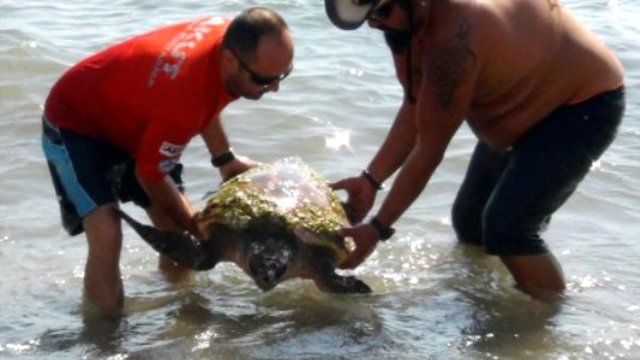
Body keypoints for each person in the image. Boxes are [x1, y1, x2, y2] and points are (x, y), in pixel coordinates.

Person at [325, 0, 625, 302]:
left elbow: (429, 151)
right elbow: (417, 106)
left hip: (582, 105)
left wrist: (377, 229)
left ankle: (547, 324)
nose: (376, 25)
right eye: (368, 18)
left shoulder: (454, 44)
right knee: (469, 221)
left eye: (381, 12)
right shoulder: (405, 23)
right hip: (517, 103)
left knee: (509, 228)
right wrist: (370, 180)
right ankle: (488, 299)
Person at [41, 7, 294, 315]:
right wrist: (195, 225)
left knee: (178, 238)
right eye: (265, 80)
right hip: (76, 122)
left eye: (284, 75)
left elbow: (207, 96)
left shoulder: (227, 42)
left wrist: (224, 159)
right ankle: (103, 335)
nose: (275, 87)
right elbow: (150, 173)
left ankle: (176, 304)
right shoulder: (183, 99)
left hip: (144, 118)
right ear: (230, 59)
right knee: (107, 233)